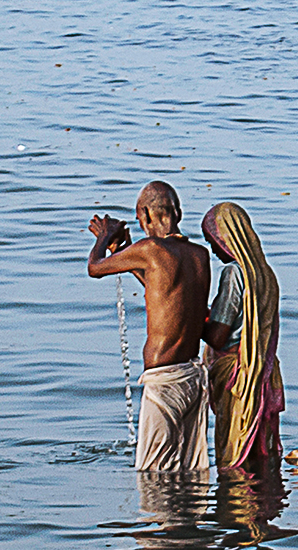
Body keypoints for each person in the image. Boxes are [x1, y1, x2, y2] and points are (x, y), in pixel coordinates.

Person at [87, 182, 212, 473]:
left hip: (163, 381)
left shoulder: (151, 249)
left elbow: (95, 268)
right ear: (178, 212)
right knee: (187, 470)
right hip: (192, 377)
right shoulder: (199, 255)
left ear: (144, 214)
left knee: (154, 474)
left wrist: (104, 237)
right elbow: (167, 294)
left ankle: (163, 519)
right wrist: (128, 252)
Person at [201, 201, 284, 475]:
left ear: (227, 238)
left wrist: (187, 317)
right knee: (260, 453)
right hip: (265, 373)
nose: (213, 249)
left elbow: (218, 335)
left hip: (240, 378)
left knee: (234, 457)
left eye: (213, 240)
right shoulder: (267, 274)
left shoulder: (234, 273)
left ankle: (235, 512)